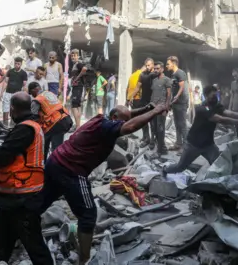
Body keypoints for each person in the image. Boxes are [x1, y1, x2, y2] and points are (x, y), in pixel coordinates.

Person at [40, 102, 167, 265]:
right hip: (71, 169)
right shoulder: (108, 126)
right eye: (121, 121)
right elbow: (128, 127)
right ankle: (84, 259)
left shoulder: (101, 119)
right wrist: (155, 111)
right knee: (88, 214)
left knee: (44, 199)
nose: (122, 125)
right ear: (114, 118)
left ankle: (23, 226)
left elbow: (125, 117)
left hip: (56, 161)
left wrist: (145, 109)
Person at [0, 92, 53, 265]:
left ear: (12, 108)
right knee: (1, 240)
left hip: (22, 195)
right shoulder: (34, 126)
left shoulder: (25, 129)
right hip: (15, 195)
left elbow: (5, 156)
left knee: (33, 243)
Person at [164, 85, 238, 175]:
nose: (215, 97)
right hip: (193, 145)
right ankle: (165, 169)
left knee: (219, 165)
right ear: (206, 95)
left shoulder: (216, 104)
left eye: (216, 95)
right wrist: (237, 122)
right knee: (180, 167)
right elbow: (219, 119)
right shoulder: (202, 108)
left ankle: (219, 183)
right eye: (212, 96)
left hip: (208, 145)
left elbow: (226, 112)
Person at [30, 83, 73, 160]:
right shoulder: (49, 93)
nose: (32, 96)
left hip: (56, 123)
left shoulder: (37, 100)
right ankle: (54, 164)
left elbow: (33, 118)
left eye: (31, 93)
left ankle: (47, 166)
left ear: (34, 90)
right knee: (56, 147)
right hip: (66, 119)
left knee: (46, 147)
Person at [127, 59, 155, 147]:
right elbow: (137, 88)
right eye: (146, 65)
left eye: (149, 65)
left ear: (153, 65)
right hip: (144, 101)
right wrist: (130, 97)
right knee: (144, 121)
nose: (147, 67)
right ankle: (147, 138)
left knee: (153, 123)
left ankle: (153, 141)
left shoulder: (155, 75)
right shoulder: (142, 75)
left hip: (153, 101)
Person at [149, 61, 172, 155]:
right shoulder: (154, 80)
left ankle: (161, 148)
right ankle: (159, 146)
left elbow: (169, 94)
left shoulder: (167, 80)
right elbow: (153, 93)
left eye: (157, 68)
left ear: (162, 69)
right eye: (154, 68)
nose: (155, 70)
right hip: (153, 107)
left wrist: (166, 107)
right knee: (154, 127)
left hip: (161, 107)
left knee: (160, 129)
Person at [166, 56, 189, 150]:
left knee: (182, 124)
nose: (166, 66)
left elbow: (182, 87)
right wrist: (171, 101)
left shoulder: (180, 73)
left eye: (168, 64)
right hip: (175, 103)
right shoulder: (173, 75)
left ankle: (186, 146)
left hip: (181, 103)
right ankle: (178, 143)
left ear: (174, 63)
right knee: (176, 124)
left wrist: (176, 97)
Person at [0, 57, 28, 126]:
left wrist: (24, 95)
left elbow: (24, 85)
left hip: (17, 94)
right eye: (15, 63)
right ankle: (5, 125)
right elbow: (6, 82)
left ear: (21, 64)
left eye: (18, 64)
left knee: (15, 109)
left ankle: (12, 125)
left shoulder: (23, 73)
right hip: (8, 92)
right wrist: (1, 93)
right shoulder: (10, 71)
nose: (17, 65)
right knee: (5, 108)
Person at [68, 49, 87, 129]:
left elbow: (84, 69)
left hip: (78, 87)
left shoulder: (78, 64)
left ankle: (78, 126)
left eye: (74, 55)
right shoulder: (74, 65)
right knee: (78, 106)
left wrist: (77, 78)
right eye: (72, 56)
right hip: (77, 87)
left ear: (78, 56)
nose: (73, 57)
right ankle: (78, 125)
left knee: (74, 106)